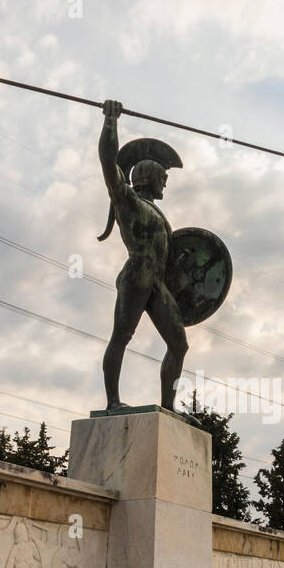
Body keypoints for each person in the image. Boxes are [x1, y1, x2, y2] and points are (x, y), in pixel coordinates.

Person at [97, 99, 189, 412]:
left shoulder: (157, 213)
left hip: (157, 281)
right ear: (149, 177)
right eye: (164, 178)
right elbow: (109, 162)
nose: (166, 183)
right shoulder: (127, 201)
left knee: (179, 344)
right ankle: (112, 403)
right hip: (137, 274)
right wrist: (111, 120)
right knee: (121, 336)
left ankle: (167, 408)